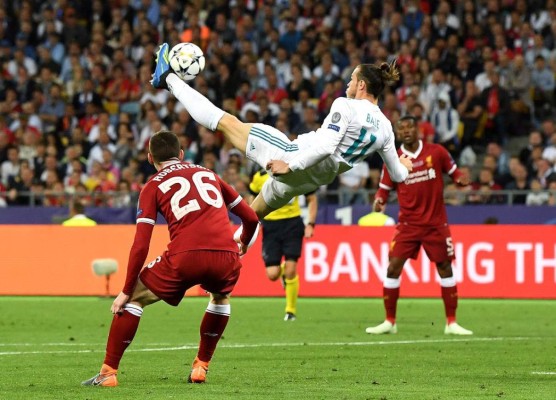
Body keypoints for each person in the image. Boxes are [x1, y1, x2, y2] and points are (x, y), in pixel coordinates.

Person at [151, 43, 412, 220]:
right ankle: (226, 266)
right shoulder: (386, 128)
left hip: (291, 158)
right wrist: (405, 165)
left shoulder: (346, 105)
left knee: (227, 123)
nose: (348, 83)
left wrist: (291, 165)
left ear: (362, 85)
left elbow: (326, 147)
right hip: (307, 183)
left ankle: (168, 79)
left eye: (353, 79)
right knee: (250, 220)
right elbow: (398, 175)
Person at [82, 130, 259, 387]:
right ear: (181, 155)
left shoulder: (152, 185)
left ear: (150, 157)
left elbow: (141, 244)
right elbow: (251, 218)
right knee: (220, 297)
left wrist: (126, 289)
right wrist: (242, 242)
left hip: (185, 256)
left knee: (134, 300)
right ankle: (201, 366)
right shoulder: (210, 174)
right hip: (226, 255)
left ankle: (108, 373)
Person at [365, 116, 473, 336]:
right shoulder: (393, 159)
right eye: (401, 128)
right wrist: (379, 201)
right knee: (392, 267)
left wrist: (462, 178)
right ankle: (389, 321)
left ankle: (451, 322)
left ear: (418, 130)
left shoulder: (437, 152)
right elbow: (384, 190)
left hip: (435, 223)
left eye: (409, 127)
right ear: (397, 132)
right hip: (408, 225)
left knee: (445, 268)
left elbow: (455, 172)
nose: (406, 131)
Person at [249, 169, 318, 321]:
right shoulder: (259, 177)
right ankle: (284, 273)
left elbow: (312, 198)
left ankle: (290, 311)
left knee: (291, 269)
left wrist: (311, 223)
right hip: (270, 226)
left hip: (292, 223)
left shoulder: (296, 172)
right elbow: (252, 198)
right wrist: (253, 221)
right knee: (272, 274)